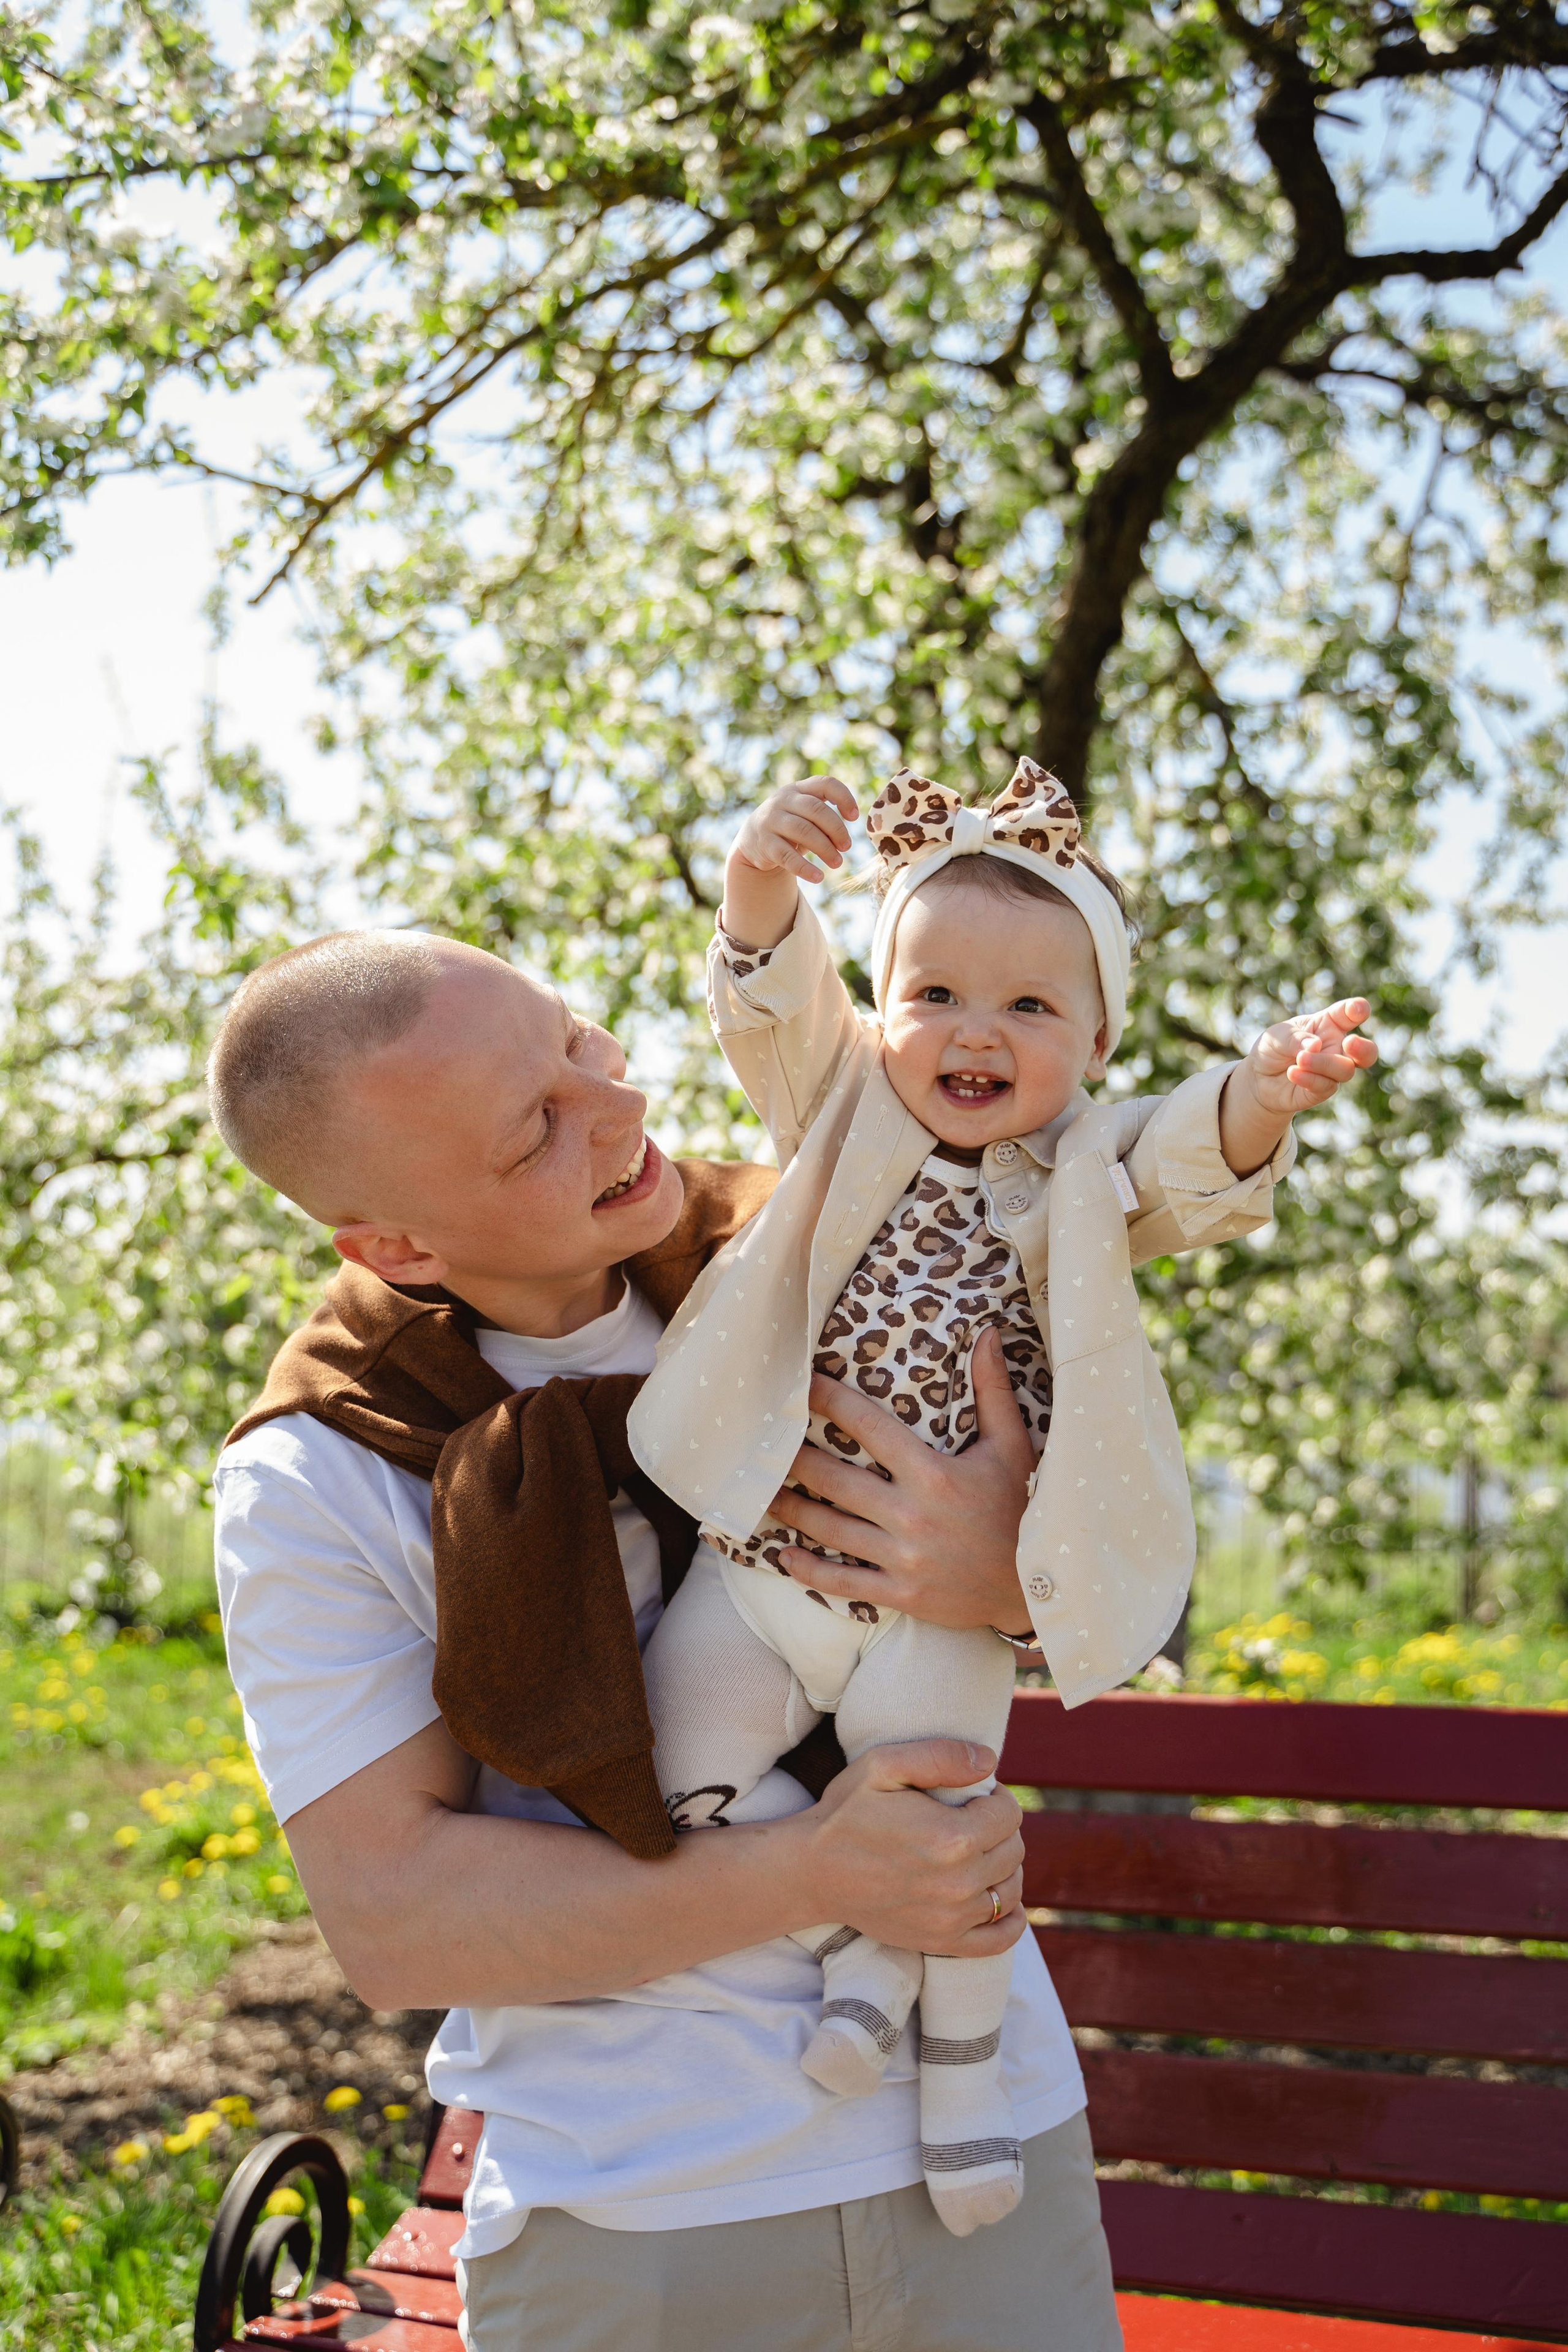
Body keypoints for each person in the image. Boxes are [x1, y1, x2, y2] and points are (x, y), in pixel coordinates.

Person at [206, 921, 1116, 2352]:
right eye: (536, 1133)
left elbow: (1129, 1582)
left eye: (582, 1045)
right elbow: (395, 1918)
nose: (621, 1111)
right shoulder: (318, 1474)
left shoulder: (840, 1236)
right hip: (641, 2217)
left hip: (992, 2150)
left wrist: (1010, 1579)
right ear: (396, 1243)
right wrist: (816, 1868)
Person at [628, 758, 1377, 2239]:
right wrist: (760, 881)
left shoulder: (1088, 1159)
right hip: (773, 1561)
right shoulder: (838, 1097)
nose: (974, 1031)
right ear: (883, 1012)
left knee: (952, 1831)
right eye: (935, 996)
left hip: (950, 1603)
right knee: (678, 1751)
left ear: (1094, 1035)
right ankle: (858, 1949)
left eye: (1030, 1008)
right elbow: (769, 996)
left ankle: (961, 2102)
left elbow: (1193, 1152)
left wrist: (1261, 1087)